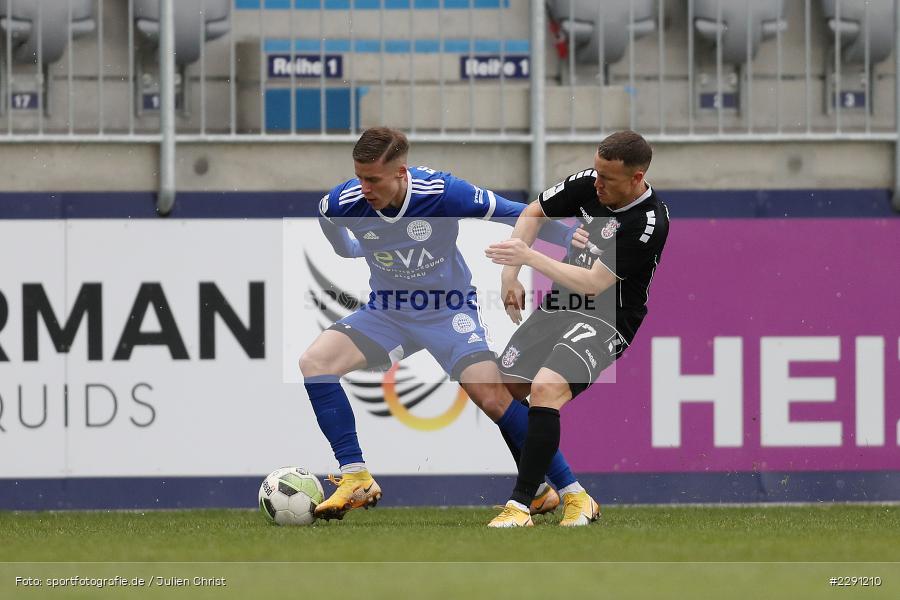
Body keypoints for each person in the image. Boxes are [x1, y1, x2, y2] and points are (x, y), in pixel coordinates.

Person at [300, 127, 589, 522]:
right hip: (388, 310)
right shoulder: (346, 200)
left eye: (372, 179)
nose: (363, 188)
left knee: (495, 399)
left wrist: (571, 235)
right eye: (359, 176)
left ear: (401, 173)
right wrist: (349, 248)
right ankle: (355, 476)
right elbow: (326, 217)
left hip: (448, 310)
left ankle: (569, 492)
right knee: (315, 362)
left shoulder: (441, 193)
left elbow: (514, 214)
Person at [484, 130, 669, 527]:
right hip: (561, 306)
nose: (597, 183)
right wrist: (509, 275)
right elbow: (534, 211)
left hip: (607, 318)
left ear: (637, 179)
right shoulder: (592, 182)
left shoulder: (648, 222)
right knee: (500, 390)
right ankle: (570, 495)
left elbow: (594, 284)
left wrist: (529, 257)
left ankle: (518, 508)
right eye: (597, 172)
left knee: (546, 389)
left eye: (608, 179)